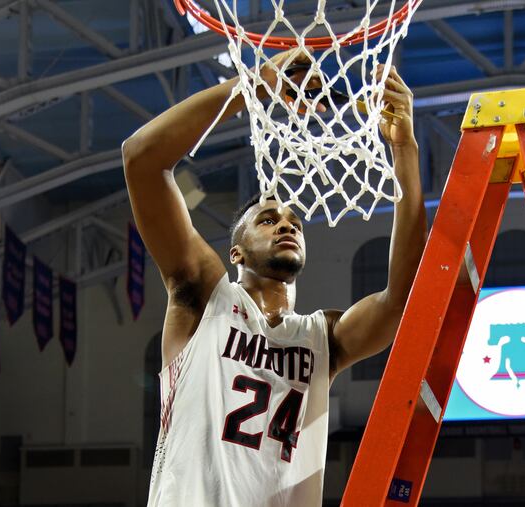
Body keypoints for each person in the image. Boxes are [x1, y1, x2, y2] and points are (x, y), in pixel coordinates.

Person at [122, 48, 427, 507]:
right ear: (236, 251)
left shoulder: (323, 338)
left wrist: (404, 150)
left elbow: (403, 299)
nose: (286, 225)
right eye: (267, 220)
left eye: (294, 223)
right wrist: (252, 86)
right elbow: (141, 158)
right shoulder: (206, 299)